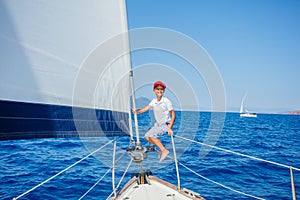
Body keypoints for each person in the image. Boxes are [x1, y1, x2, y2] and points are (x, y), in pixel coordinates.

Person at [132, 81, 176, 162]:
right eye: (157, 89)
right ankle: (162, 148)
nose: (160, 90)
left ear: (164, 91)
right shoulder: (154, 101)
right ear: (154, 90)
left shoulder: (166, 101)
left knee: (151, 135)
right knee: (146, 136)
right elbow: (146, 108)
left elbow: (173, 114)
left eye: (161, 89)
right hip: (158, 125)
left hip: (166, 125)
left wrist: (170, 128)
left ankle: (164, 150)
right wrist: (137, 111)